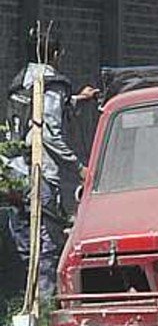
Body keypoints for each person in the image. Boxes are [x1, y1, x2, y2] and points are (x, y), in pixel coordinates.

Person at [6, 25, 96, 305]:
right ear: (56, 54)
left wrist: (79, 99)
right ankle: (44, 308)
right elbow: (48, 133)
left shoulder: (23, 80)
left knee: (25, 242)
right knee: (46, 244)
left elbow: (41, 110)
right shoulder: (53, 84)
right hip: (40, 172)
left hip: (15, 171)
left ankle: (26, 302)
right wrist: (78, 167)